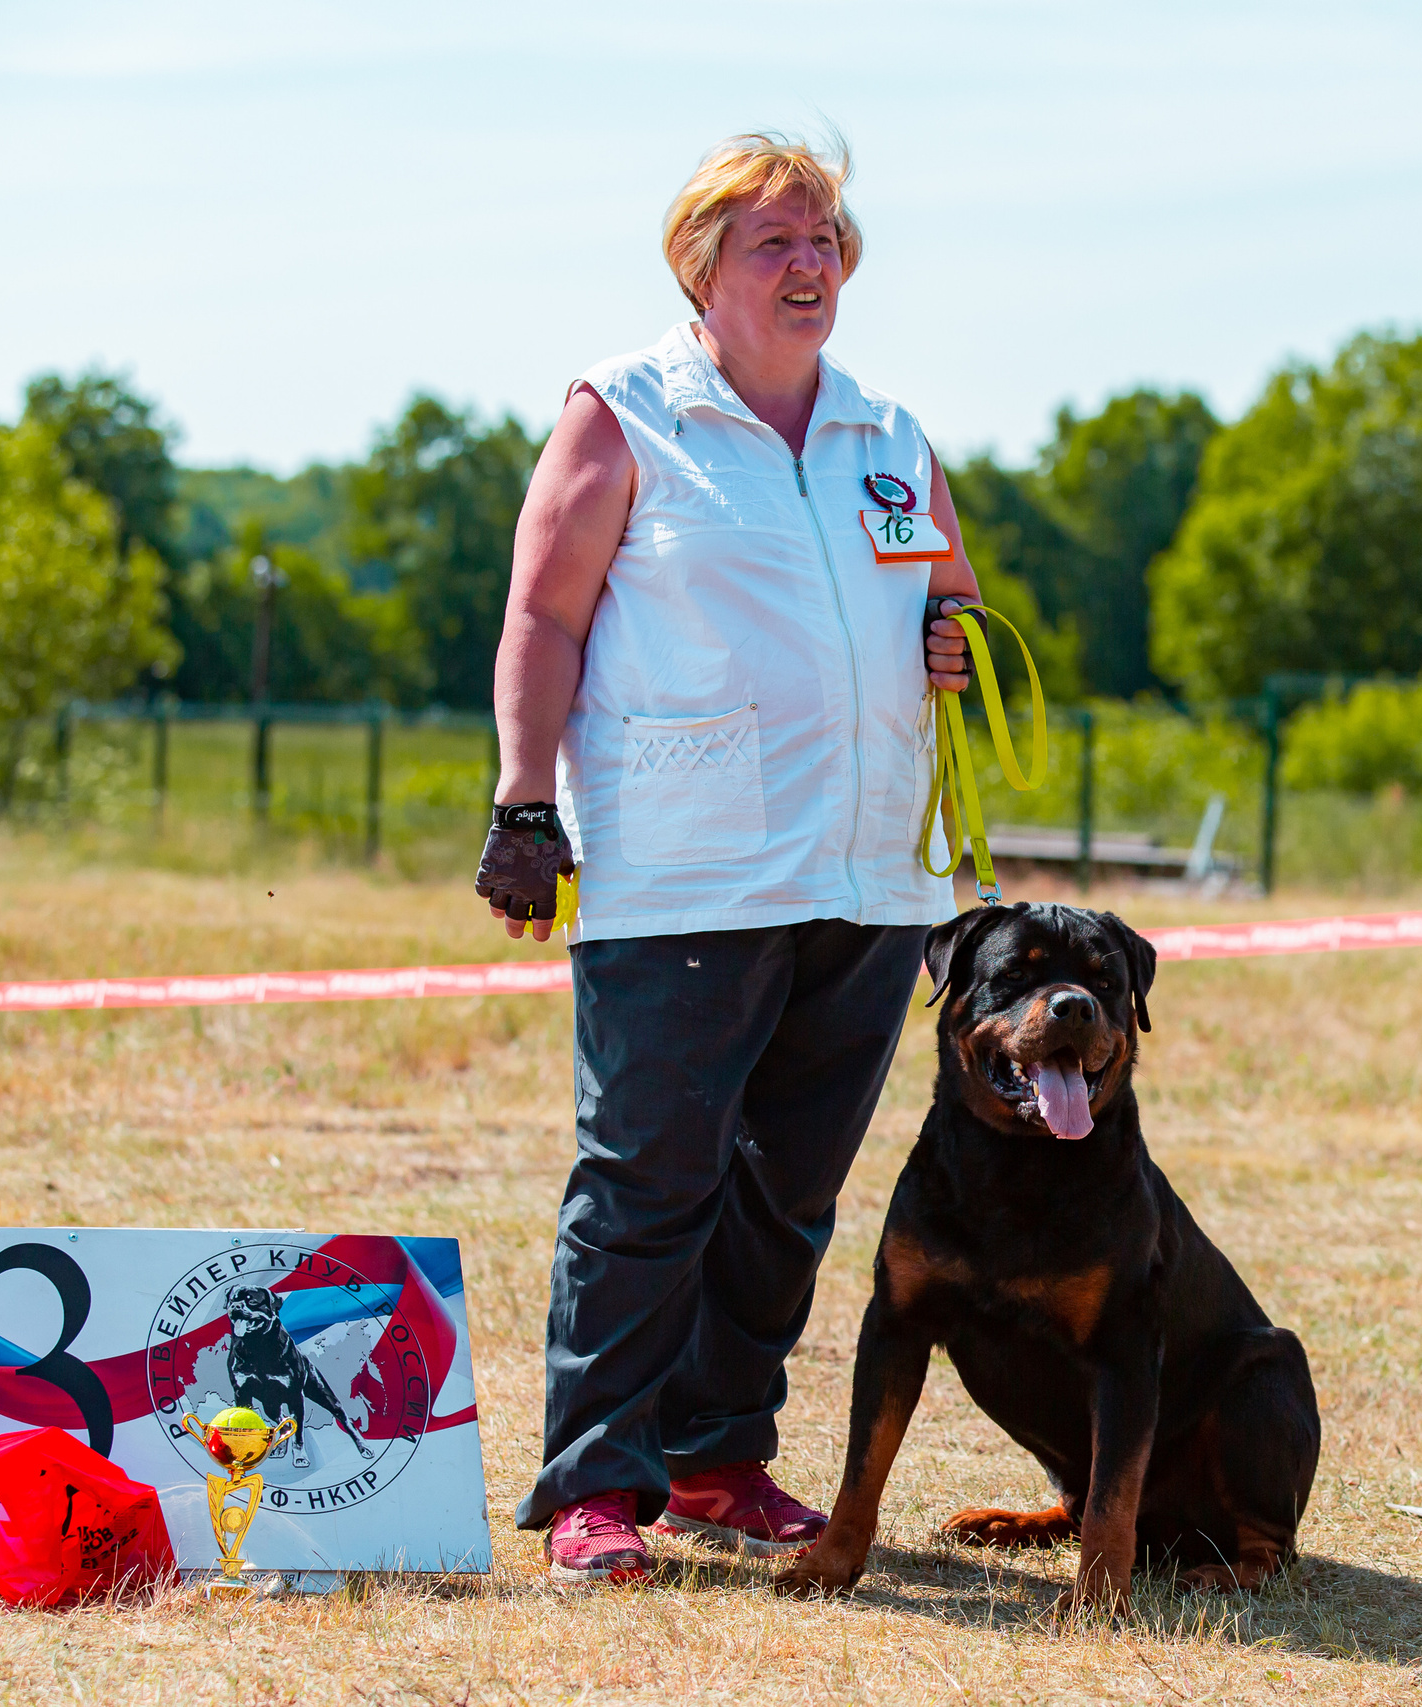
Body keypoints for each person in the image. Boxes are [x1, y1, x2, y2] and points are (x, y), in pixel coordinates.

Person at [475, 133, 985, 1584]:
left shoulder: (889, 433)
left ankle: (715, 1455)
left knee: (788, 1192)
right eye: (777, 241)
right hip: (684, 868)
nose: (811, 261)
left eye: (826, 236)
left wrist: (955, 640)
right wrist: (525, 805)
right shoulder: (624, 414)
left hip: (872, 869)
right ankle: (596, 1487)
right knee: (649, 1180)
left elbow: (950, 602)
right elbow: (542, 617)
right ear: (701, 267)